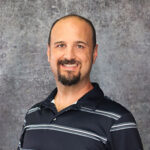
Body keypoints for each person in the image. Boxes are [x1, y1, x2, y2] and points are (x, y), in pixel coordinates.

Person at [18, 14, 143, 150]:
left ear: (94, 53)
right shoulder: (33, 115)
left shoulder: (118, 121)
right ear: (49, 53)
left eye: (80, 46)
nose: (69, 56)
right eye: (60, 45)